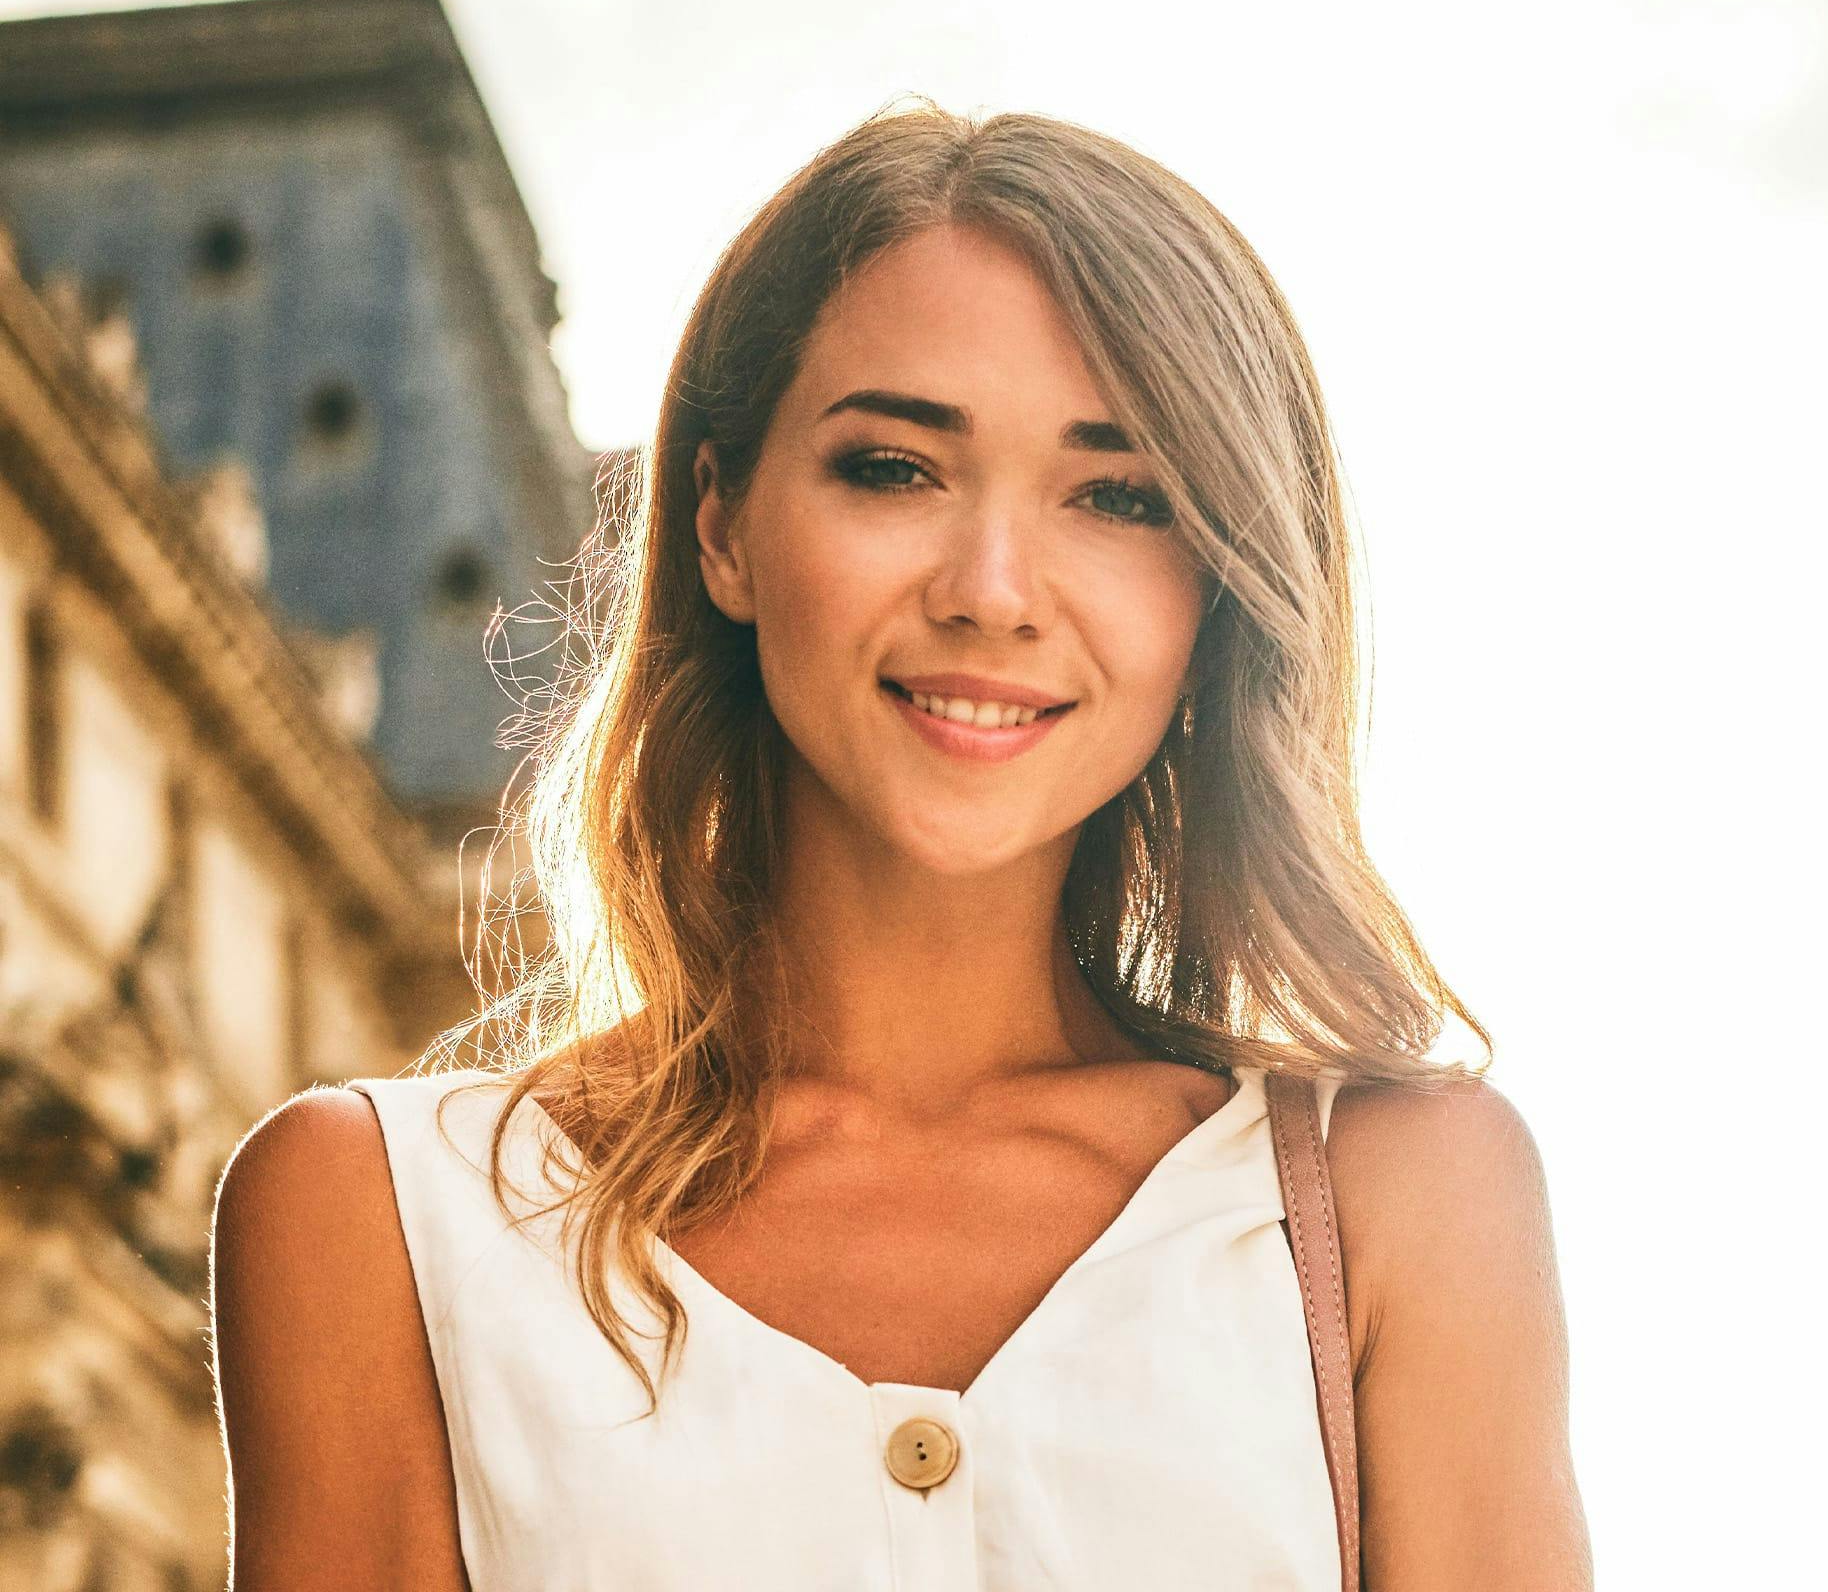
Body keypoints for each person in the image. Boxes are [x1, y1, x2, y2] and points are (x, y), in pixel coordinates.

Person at [209, 101, 1592, 1590]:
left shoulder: (1401, 1203)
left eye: (1118, 497)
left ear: (1217, 592)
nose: (995, 590)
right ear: (723, 529)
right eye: (895, 468)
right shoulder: (378, 1223)